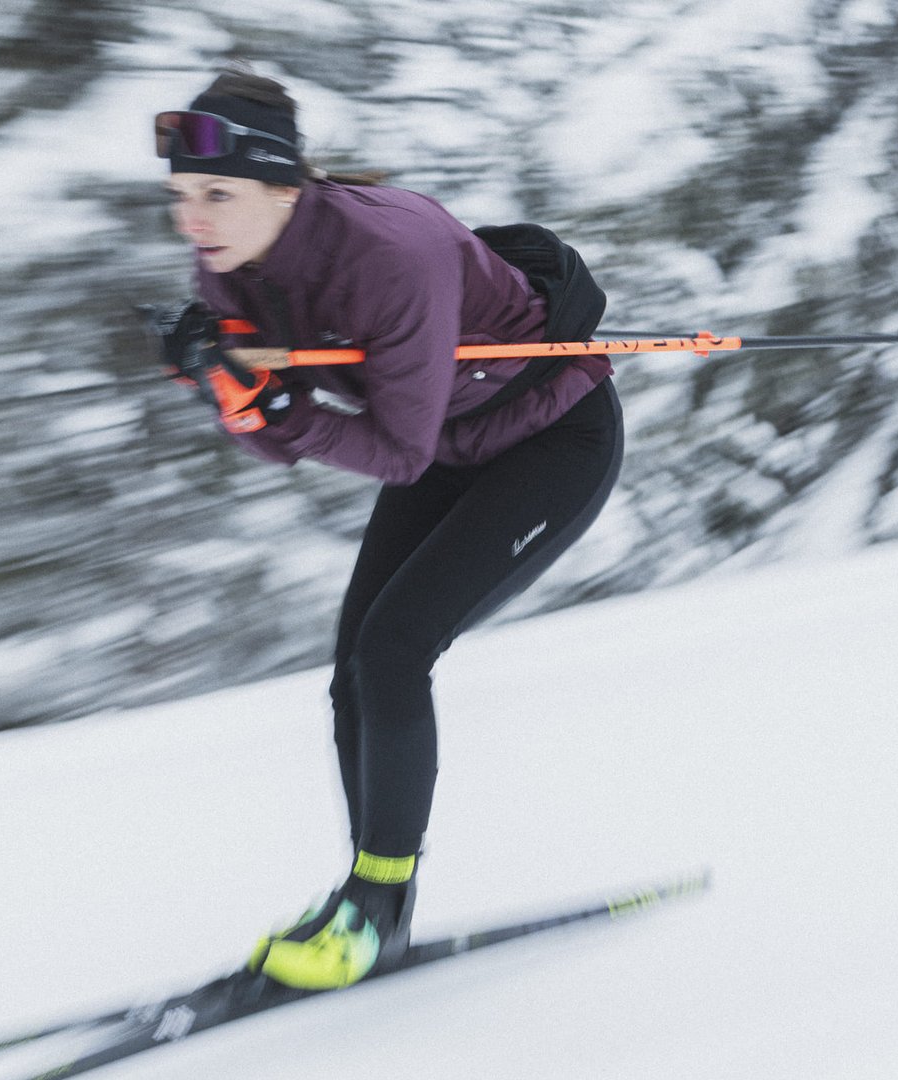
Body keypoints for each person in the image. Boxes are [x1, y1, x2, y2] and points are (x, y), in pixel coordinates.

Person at [144, 68, 625, 991]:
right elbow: (279, 447)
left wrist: (269, 399)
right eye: (178, 197)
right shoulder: (225, 260)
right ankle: (373, 907)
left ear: (285, 186)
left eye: (214, 194)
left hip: (551, 443)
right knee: (352, 672)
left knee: (395, 652)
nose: (192, 220)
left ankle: (373, 910)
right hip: (451, 445)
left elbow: (395, 452)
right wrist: (231, 391)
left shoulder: (391, 256)